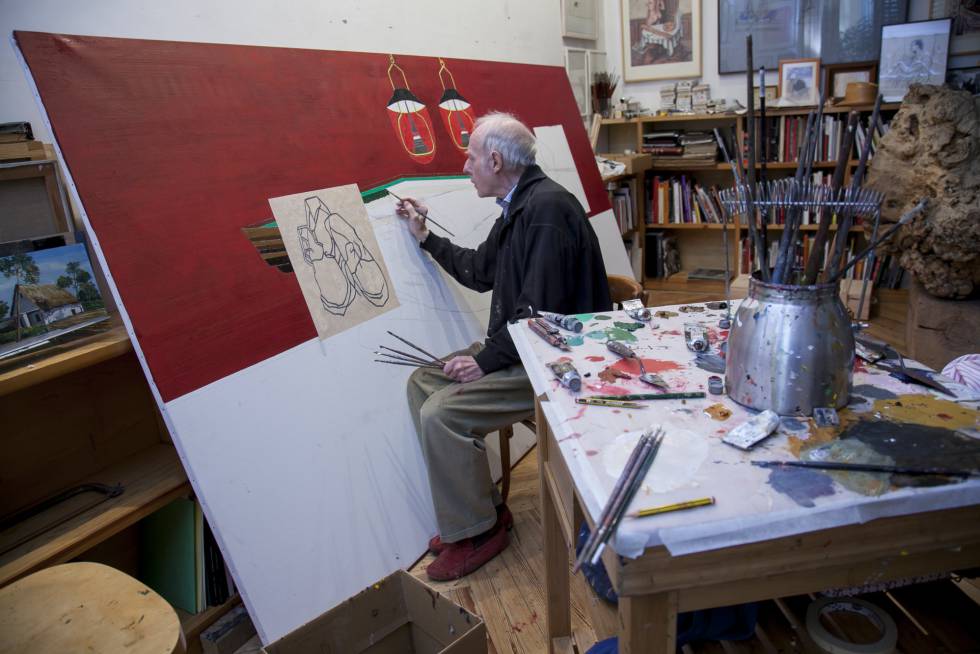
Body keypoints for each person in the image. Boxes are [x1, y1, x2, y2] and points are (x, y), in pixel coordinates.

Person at [395, 112, 611, 580]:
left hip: (558, 361)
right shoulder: (521, 205)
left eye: (471, 158)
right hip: (524, 347)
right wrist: (424, 236)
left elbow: (540, 314)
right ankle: (481, 514)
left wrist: (484, 362)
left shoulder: (547, 210)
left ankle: (476, 534)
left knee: (441, 414)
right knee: (422, 383)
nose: (466, 167)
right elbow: (480, 271)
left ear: (495, 160)